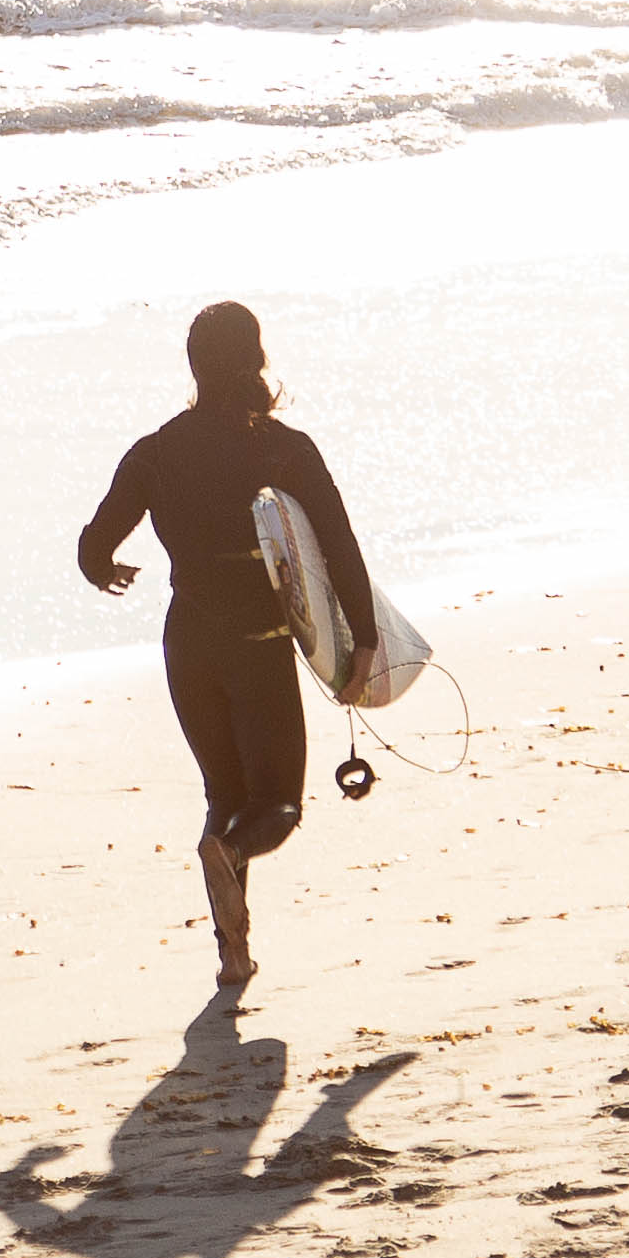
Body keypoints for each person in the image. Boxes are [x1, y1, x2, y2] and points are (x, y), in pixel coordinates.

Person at [76, 300, 372, 993]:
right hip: (258, 644)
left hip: (188, 641)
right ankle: (233, 853)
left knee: (223, 793)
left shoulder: (153, 451)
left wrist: (106, 572)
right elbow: (337, 546)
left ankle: (232, 951)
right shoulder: (283, 447)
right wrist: (359, 643)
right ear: (256, 359)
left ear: (193, 365)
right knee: (276, 806)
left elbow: (94, 545)